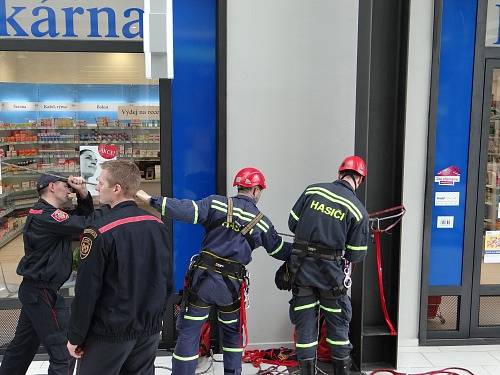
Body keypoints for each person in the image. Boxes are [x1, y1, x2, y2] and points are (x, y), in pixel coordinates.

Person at [135, 167, 292, 375]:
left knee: (189, 333)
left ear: (239, 186)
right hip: (230, 288)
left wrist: (150, 200)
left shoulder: (216, 203)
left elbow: (184, 209)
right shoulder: (262, 222)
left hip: (203, 281)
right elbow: (279, 250)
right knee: (231, 335)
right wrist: (308, 249)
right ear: (255, 190)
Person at [67, 160, 172, 375]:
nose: (97, 187)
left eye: (100, 182)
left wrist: (76, 336)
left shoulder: (99, 231)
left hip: (110, 333)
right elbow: (165, 278)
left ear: (116, 188)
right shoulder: (158, 225)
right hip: (148, 329)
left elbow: (87, 290)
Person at [0, 172, 101, 375]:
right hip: (42, 292)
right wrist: (86, 194)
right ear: (52, 186)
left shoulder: (49, 215)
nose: (69, 189)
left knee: (22, 348)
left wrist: (83, 195)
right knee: (64, 351)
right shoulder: (46, 216)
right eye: (65, 185)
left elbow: (79, 221)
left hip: (38, 291)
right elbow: (86, 224)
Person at [284, 156, 369, 375]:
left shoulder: (314, 191)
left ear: (340, 173)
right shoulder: (358, 211)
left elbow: (292, 223)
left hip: (301, 270)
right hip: (331, 278)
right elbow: (355, 255)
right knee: (338, 325)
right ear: (360, 180)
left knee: (304, 325)